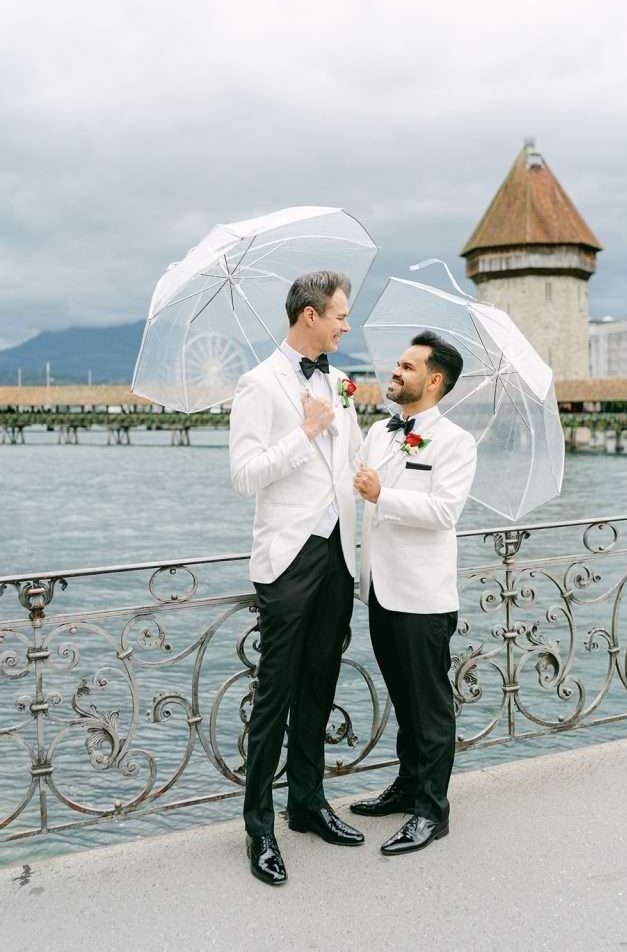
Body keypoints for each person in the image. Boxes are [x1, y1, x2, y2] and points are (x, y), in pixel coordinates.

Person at [229, 270, 365, 886]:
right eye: (339, 314)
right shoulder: (258, 383)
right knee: (275, 693)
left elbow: (350, 463)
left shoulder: (339, 382)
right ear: (309, 315)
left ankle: (306, 804)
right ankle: (259, 828)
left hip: (339, 556)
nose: (345, 324)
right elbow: (245, 475)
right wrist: (305, 431)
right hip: (288, 559)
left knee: (320, 683)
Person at [351, 330, 477, 855]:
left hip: (424, 599)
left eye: (407, 366)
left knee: (430, 708)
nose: (395, 372)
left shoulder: (456, 442)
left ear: (434, 379)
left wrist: (385, 496)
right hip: (380, 590)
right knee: (404, 702)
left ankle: (432, 811)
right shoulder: (379, 432)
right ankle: (406, 788)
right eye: (396, 363)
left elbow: (445, 512)